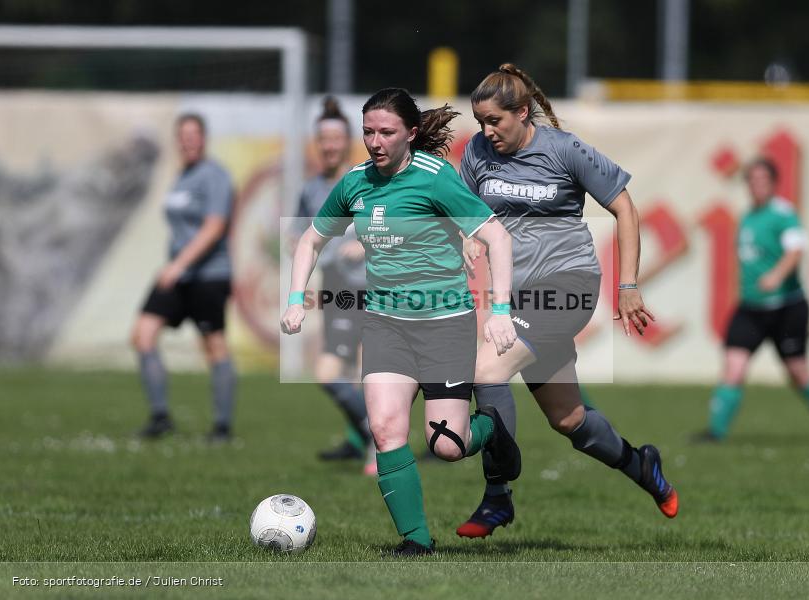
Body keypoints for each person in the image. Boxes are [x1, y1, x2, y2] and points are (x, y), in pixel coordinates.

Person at [281, 88, 520, 556]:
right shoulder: (354, 183)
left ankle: (493, 431)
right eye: (368, 131)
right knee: (386, 427)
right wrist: (295, 299)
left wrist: (501, 311)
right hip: (386, 325)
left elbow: (497, 236)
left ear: (410, 134)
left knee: (447, 446)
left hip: (445, 325)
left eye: (386, 132)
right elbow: (311, 240)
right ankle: (416, 542)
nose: (375, 141)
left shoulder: (436, 178)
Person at [455, 64, 678, 539]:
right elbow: (466, 215)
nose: (486, 131)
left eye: (495, 120)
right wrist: (467, 238)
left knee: (487, 370)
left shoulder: (564, 149)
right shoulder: (477, 153)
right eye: (480, 122)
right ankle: (643, 466)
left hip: (569, 286)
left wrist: (628, 284)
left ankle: (497, 497)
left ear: (522, 112)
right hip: (518, 296)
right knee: (569, 419)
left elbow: (624, 207)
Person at [695, 158, 809, 443]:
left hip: (786, 307)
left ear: (774, 183)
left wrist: (777, 275)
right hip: (751, 308)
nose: (757, 186)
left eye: (763, 180)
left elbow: (796, 249)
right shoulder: (748, 217)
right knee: (733, 367)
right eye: (752, 180)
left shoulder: (783, 213)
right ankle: (715, 433)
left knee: (798, 373)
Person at [132, 113, 237, 442]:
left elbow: (214, 227)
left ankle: (222, 427)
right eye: (183, 135)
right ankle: (160, 416)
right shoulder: (181, 177)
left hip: (209, 275)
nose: (189, 141)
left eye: (194, 135)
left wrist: (179, 265)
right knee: (142, 334)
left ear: (203, 139)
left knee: (213, 345)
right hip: (179, 275)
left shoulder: (215, 176)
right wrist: (176, 267)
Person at [296, 96, 374, 473]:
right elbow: (299, 236)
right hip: (336, 293)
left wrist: (366, 242)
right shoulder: (310, 189)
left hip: (373, 289)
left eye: (335, 139)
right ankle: (371, 438)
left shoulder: (367, 180)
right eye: (322, 139)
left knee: (364, 375)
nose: (329, 146)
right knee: (336, 374)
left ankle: (375, 442)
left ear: (347, 142)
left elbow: (392, 224)